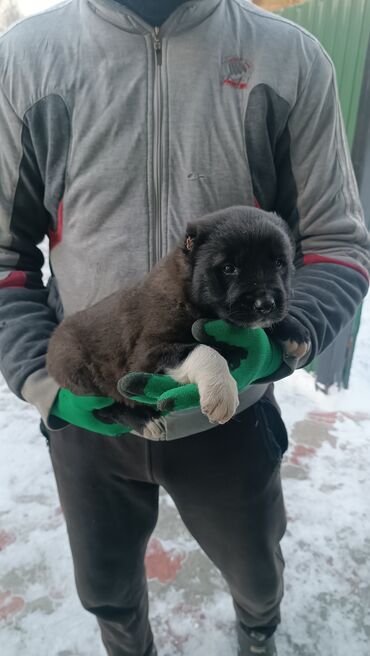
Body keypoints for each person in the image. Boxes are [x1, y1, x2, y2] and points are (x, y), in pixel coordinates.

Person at [0, 1, 369, 654]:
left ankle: (257, 635)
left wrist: (281, 341)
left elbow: (338, 243)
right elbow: (5, 258)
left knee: (257, 574)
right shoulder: (24, 60)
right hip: (92, 417)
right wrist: (42, 380)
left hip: (232, 417)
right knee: (106, 589)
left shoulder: (290, 58)